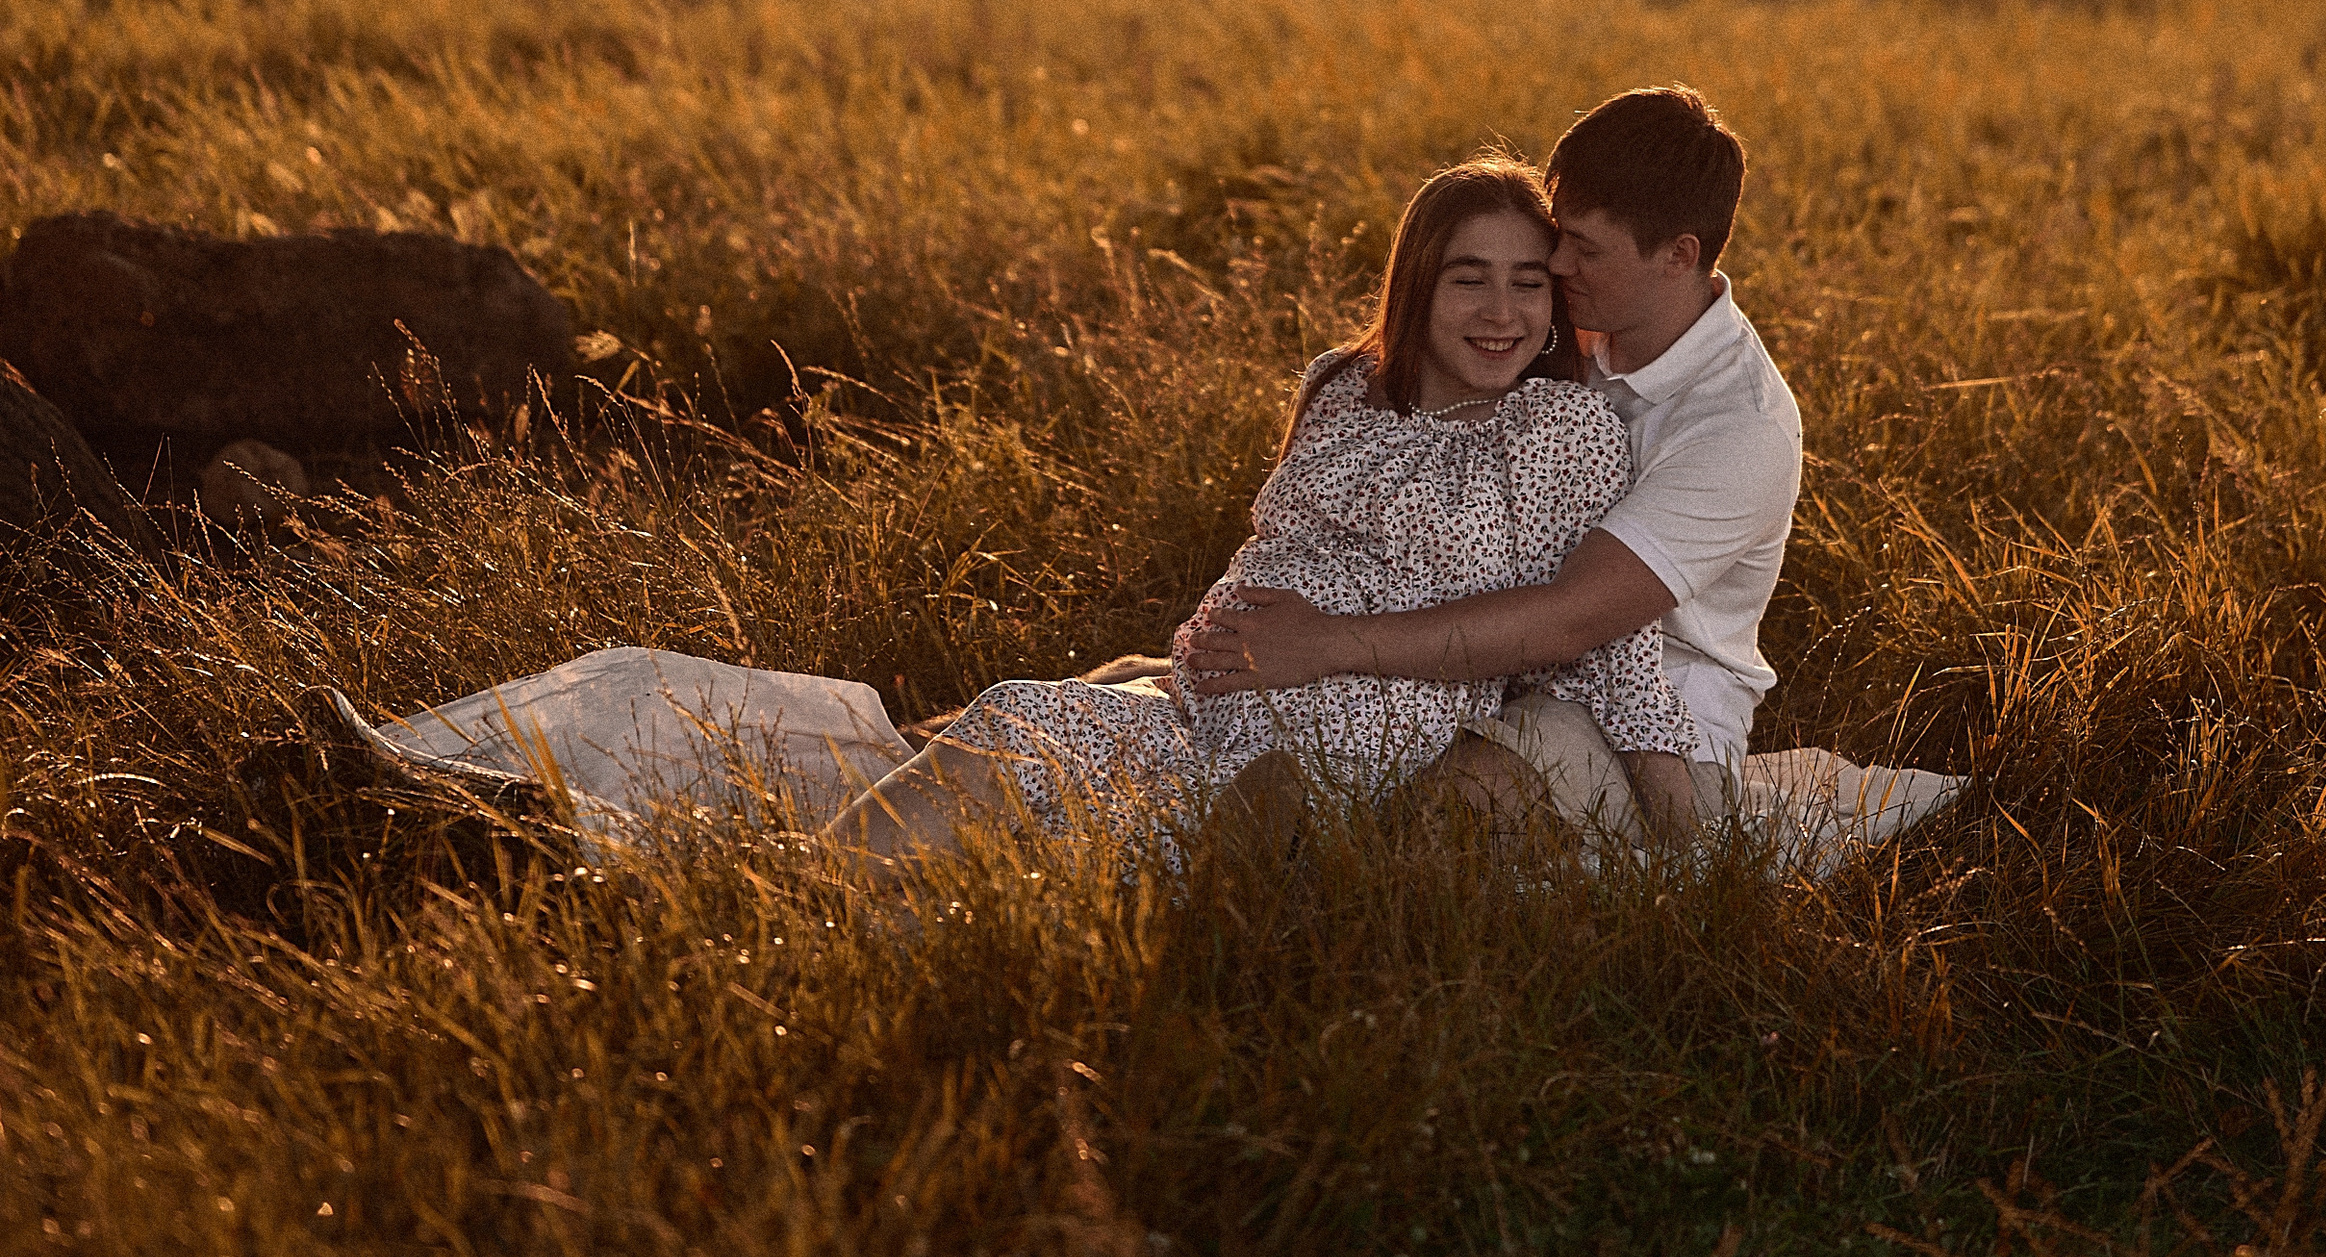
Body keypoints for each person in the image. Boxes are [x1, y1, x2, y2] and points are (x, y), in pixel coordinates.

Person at [346, 159, 1702, 867]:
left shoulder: (1563, 434)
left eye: (1529, 282)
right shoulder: (1343, 388)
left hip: (1346, 753)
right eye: (1469, 277)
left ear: (1557, 302)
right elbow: (1274, 549)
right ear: (1416, 285)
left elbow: (1611, 637)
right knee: (1012, 722)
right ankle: (631, 847)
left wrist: (1693, 836)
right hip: (1207, 714)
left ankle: (649, 870)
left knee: (1065, 814)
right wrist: (1198, 650)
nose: (1501, 310)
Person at [1174, 85, 1801, 781]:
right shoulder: (1573, 322)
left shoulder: (1740, 430)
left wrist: (1325, 644)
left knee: (1462, 797)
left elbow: (1571, 621)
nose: (1555, 268)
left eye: (1583, 249)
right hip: (1456, 657)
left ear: (1678, 256)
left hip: (1645, 707)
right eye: (1559, 238)